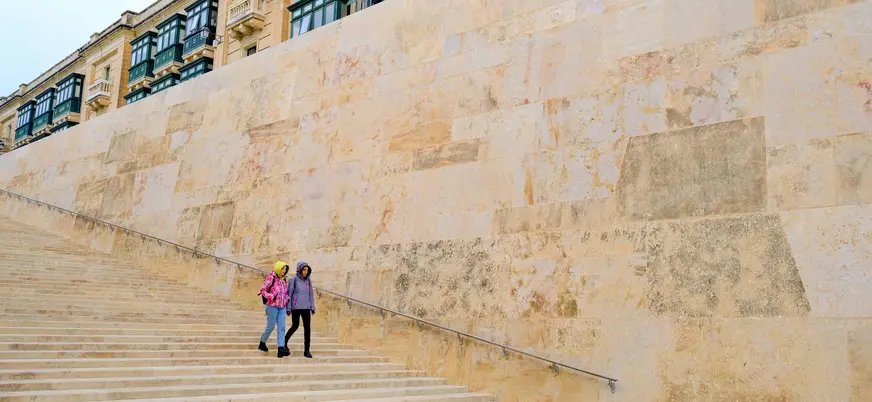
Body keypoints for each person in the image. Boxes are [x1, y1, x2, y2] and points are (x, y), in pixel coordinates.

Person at [258, 261, 290, 358]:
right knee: (271, 326)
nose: (284, 271)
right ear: (278, 268)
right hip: (272, 306)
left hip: (282, 307)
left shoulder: (284, 280)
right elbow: (262, 290)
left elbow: (284, 293)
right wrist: (271, 296)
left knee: (282, 327)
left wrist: (287, 298)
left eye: (285, 269)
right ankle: (262, 342)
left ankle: (281, 348)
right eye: (282, 269)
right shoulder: (271, 277)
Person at [284, 261, 316, 358]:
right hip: (296, 307)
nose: (305, 272)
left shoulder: (308, 281)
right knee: (295, 326)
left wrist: (312, 307)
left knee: (307, 328)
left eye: (307, 270)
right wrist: (288, 308)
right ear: (299, 270)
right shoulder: (293, 280)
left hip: (306, 308)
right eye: (304, 270)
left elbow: (310, 294)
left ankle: (307, 350)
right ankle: (284, 342)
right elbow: (289, 294)